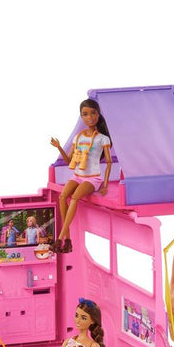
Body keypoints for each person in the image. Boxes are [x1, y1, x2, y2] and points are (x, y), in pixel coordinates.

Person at [50, 99, 113, 253]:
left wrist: (104, 185)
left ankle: (60, 239)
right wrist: (59, 147)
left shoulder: (102, 139)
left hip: (93, 178)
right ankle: (68, 240)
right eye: (85, 114)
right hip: (77, 175)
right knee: (62, 197)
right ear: (81, 116)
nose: (89, 117)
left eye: (93, 113)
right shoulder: (78, 138)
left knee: (75, 197)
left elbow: (109, 162)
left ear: (98, 115)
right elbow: (69, 161)